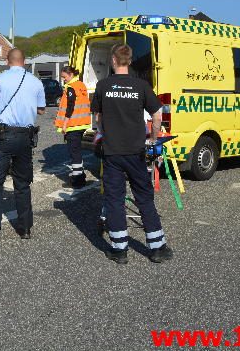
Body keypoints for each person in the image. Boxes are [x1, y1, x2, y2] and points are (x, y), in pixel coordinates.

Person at [91, 43, 173, 265]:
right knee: (144, 198)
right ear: (129, 61)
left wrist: (103, 133)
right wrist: (154, 138)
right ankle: (157, 248)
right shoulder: (141, 86)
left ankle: (120, 250)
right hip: (136, 152)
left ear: (114, 61)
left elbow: (98, 118)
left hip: (112, 153)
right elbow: (157, 114)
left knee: (115, 200)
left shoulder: (103, 85)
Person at [0, 48, 45, 250]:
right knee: (22, 183)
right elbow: (41, 110)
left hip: (3, 137)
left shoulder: (0, 80)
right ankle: (24, 228)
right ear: (24, 61)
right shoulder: (36, 81)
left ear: (8, 61)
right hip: (25, 138)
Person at [54, 66, 91, 188]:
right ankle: (79, 174)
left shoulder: (71, 88)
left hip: (73, 125)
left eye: (64, 77)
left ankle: (78, 180)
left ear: (70, 75)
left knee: (74, 152)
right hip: (81, 123)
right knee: (77, 151)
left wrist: (64, 124)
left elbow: (70, 107)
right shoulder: (81, 85)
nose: (63, 80)